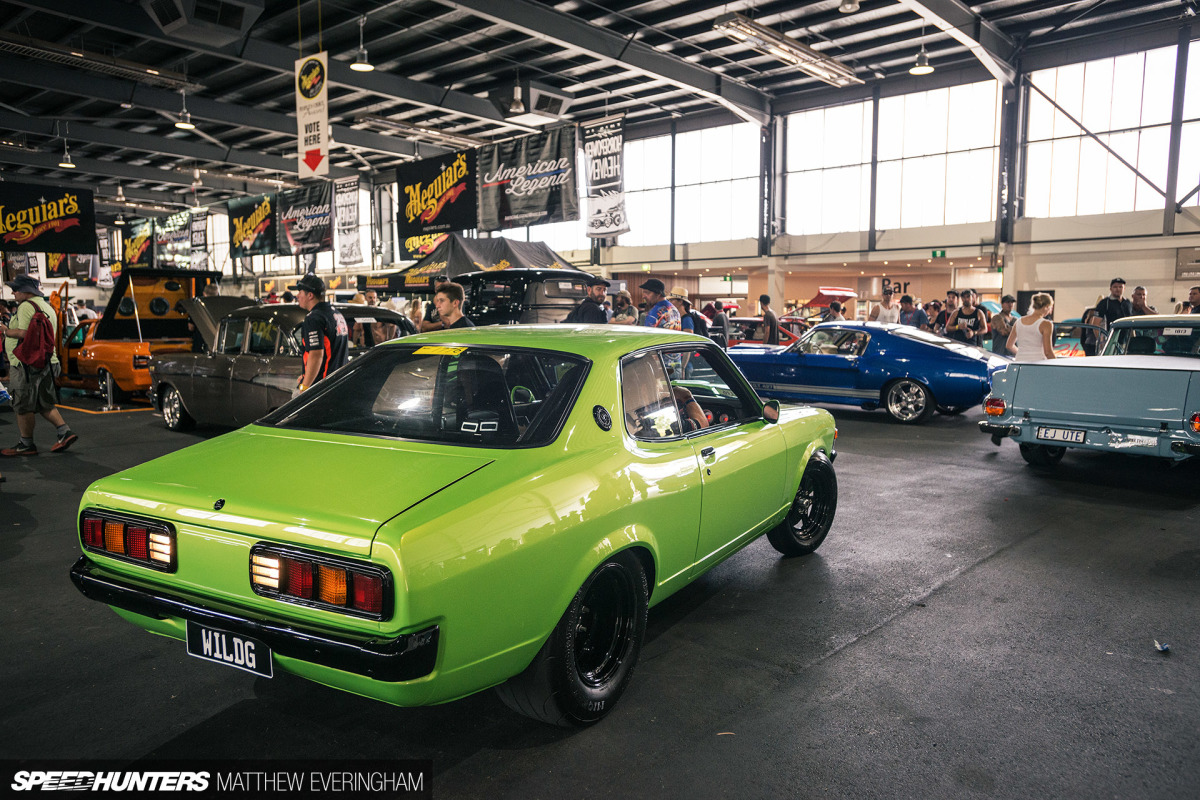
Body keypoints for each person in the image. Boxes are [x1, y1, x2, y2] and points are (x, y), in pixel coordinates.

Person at [0, 275, 79, 456]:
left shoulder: (27, 306)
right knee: (44, 403)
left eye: (16, 289)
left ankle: (26, 444)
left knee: (22, 404)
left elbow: (24, 333)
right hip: (47, 362)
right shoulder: (46, 306)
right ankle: (64, 431)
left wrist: (5, 331)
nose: (13, 293)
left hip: (27, 364)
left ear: (26, 291)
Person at [289, 274, 349, 393]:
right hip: (338, 384)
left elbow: (316, 355)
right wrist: (307, 375)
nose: (297, 296)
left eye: (300, 292)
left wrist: (305, 386)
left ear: (310, 295)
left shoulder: (314, 318)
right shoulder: (335, 314)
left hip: (321, 389)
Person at [1008, 292, 1055, 362]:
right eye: (1050, 308)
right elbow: (1048, 352)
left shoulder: (1018, 321)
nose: (1050, 312)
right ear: (1047, 307)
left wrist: (1023, 354)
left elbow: (1009, 345)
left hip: (1019, 361)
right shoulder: (1046, 324)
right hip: (1038, 362)